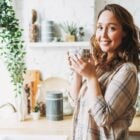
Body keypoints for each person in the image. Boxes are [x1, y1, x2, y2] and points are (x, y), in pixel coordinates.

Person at [67, 4, 140, 140]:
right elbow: (74, 102)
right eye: (100, 27)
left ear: (124, 32)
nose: (103, 35)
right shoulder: (99, 65)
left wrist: (91, 77)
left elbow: (103, 117)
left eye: (112, 28)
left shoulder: (127, 70)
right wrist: (77, 71)